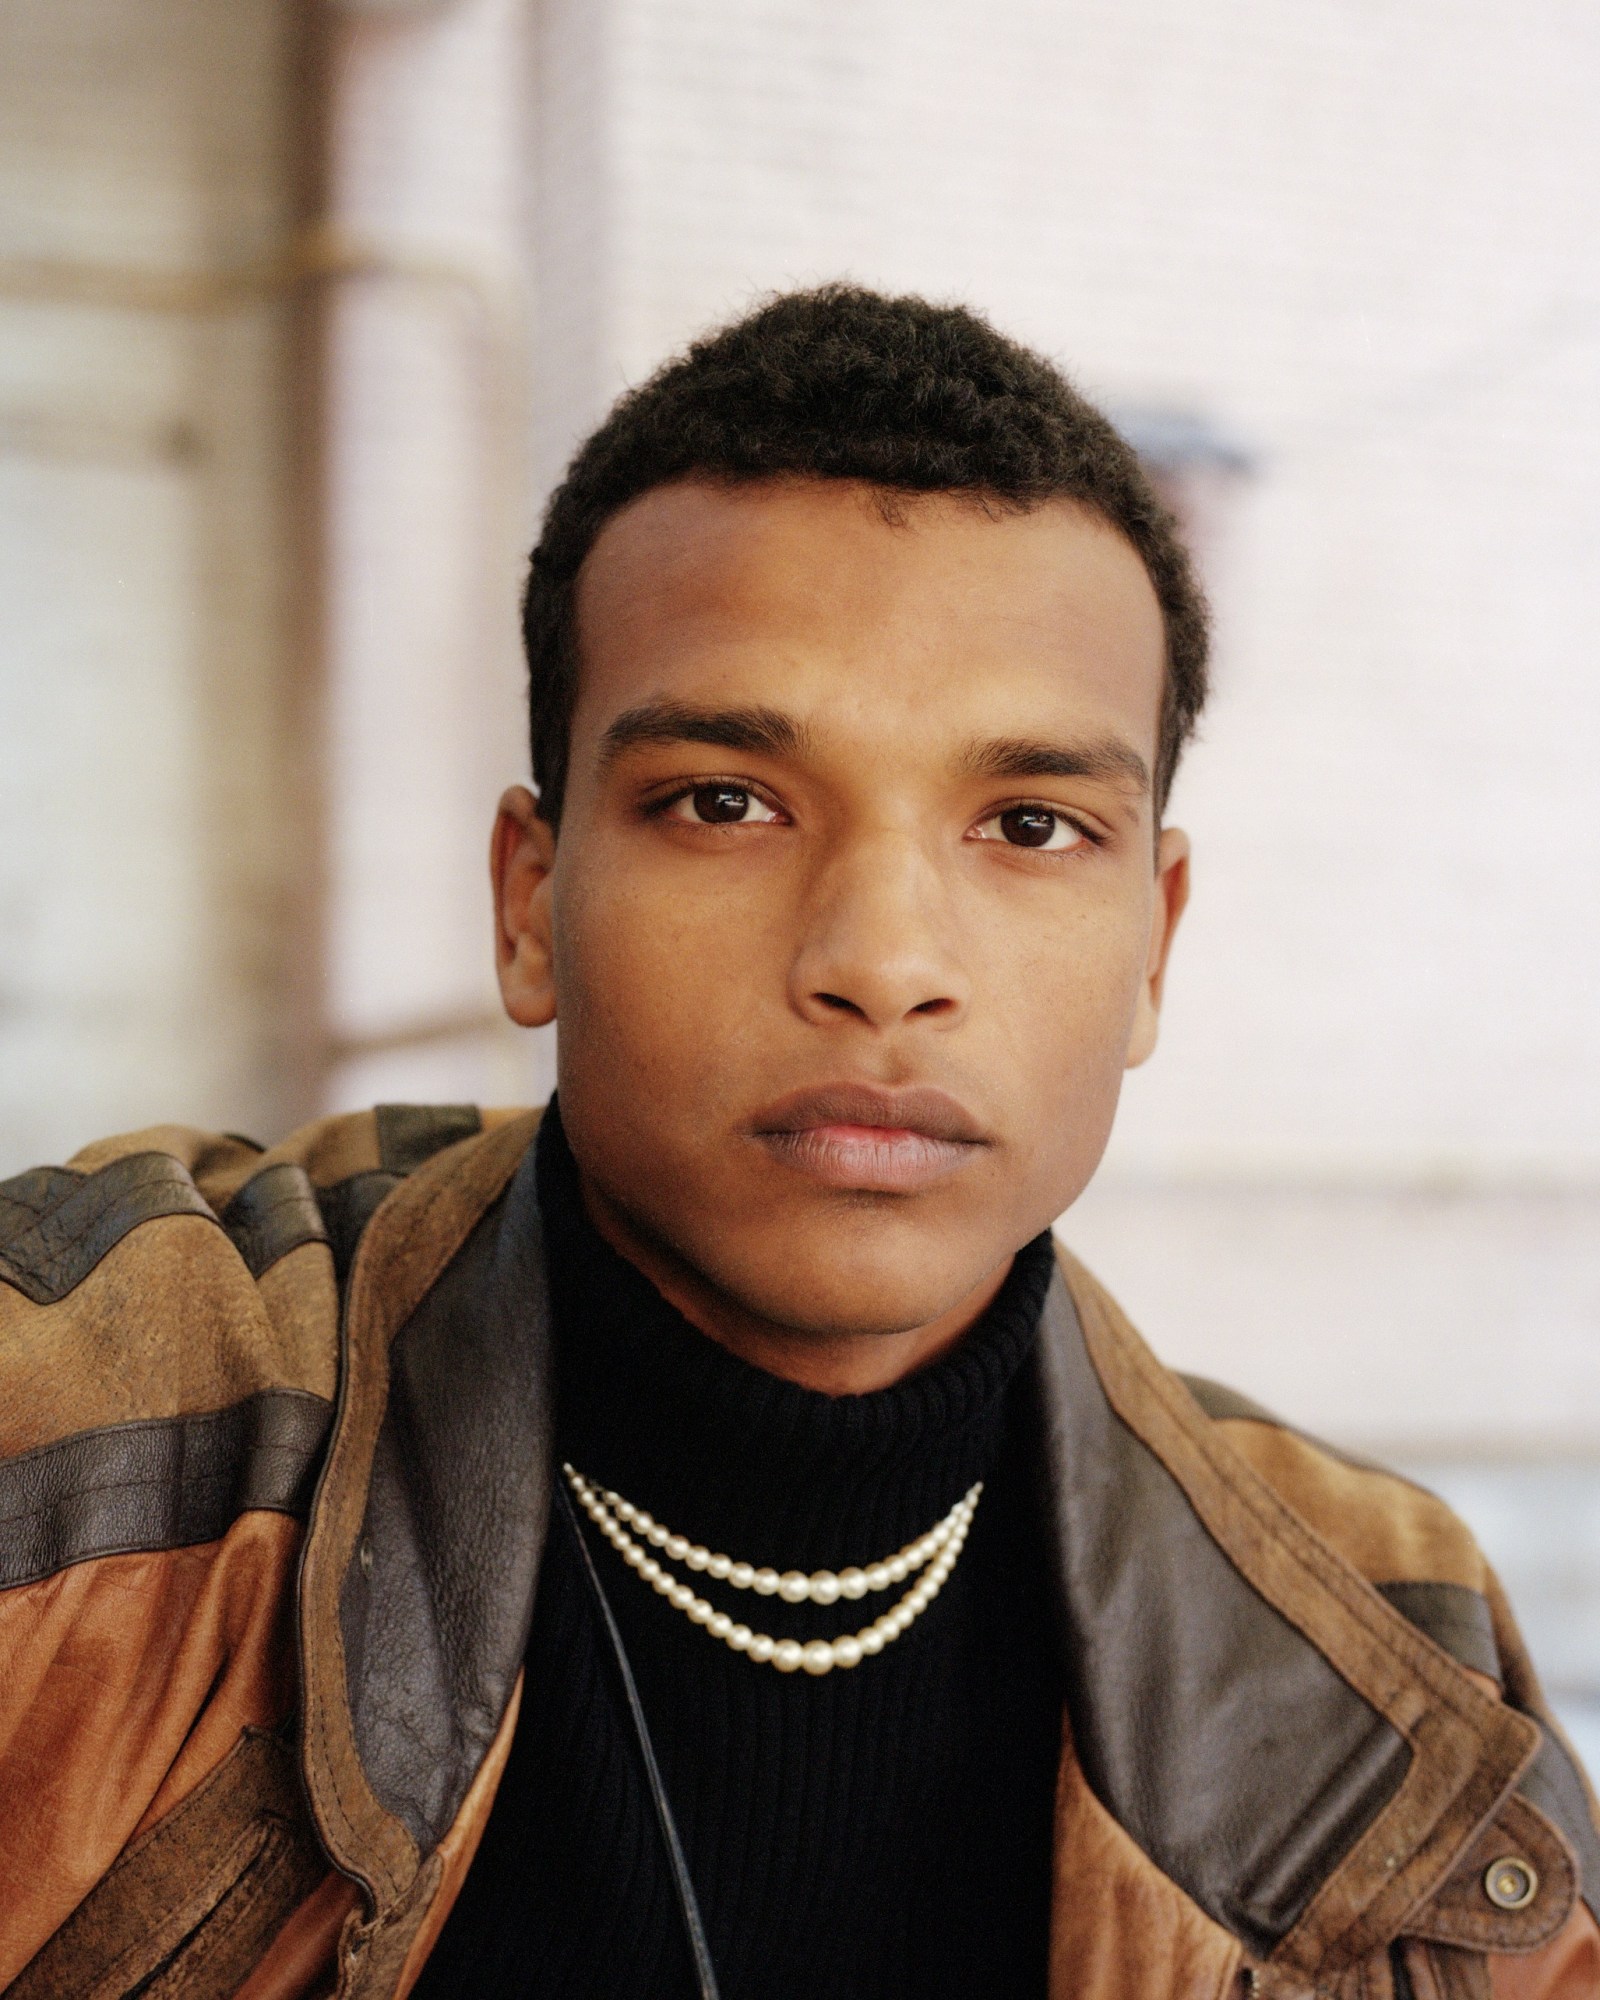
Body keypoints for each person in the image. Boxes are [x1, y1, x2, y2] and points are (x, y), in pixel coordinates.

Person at [1, 285, 1594, 2000]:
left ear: (1156, 943)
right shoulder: (95, 1454)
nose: (881, 962)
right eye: (725, 803)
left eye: (1032, 826)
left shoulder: (1386, 1649)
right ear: (533, 904)